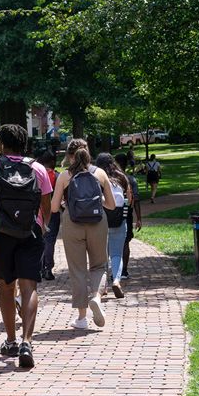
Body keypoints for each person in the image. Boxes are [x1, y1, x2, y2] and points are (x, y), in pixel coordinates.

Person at [0, 124, 54, 368]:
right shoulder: (38, 169)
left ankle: (10, 340)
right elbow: (47, 206)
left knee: (6, 288)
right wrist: (41, 228)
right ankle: (27, 341)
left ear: (1, 144)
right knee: (29, 287)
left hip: (2, 234)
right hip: (30, 233)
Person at [51, 140, 116, 330]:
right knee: (99, 265)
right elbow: (112, 205)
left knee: (77, 269)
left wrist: (67, 204)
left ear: (70, 155)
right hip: (97, 222)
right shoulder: (100, 173)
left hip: (73, 222)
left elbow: (54, 207)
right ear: (87, 152)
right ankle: (96, 297)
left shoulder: (65, 176)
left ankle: (81, 318)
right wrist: (97, 200)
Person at [94, 153, 132, 298]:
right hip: (119, 220)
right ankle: (116, 281)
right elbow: (129, 198)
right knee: (117, 254)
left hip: (101, 221)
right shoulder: (121, 177)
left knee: (101, 256)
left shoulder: (97, 176)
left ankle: (102, 286)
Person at [116, 154, 143, 279]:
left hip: (113, 213)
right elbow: (136, 200)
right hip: (127, 214)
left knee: (113, 243)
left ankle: (115, 270)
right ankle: (124, 271)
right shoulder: (131, 179)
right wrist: (139, 218)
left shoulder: (112, 179)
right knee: (125, 242)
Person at [38, 149, 61, 280]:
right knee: (50, 240)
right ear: (52, 161)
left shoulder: (36, 174)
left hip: (38, 212)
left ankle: (39, 267)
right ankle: (48, 268)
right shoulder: (57, 176)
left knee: (39, 239)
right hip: (53, 212)